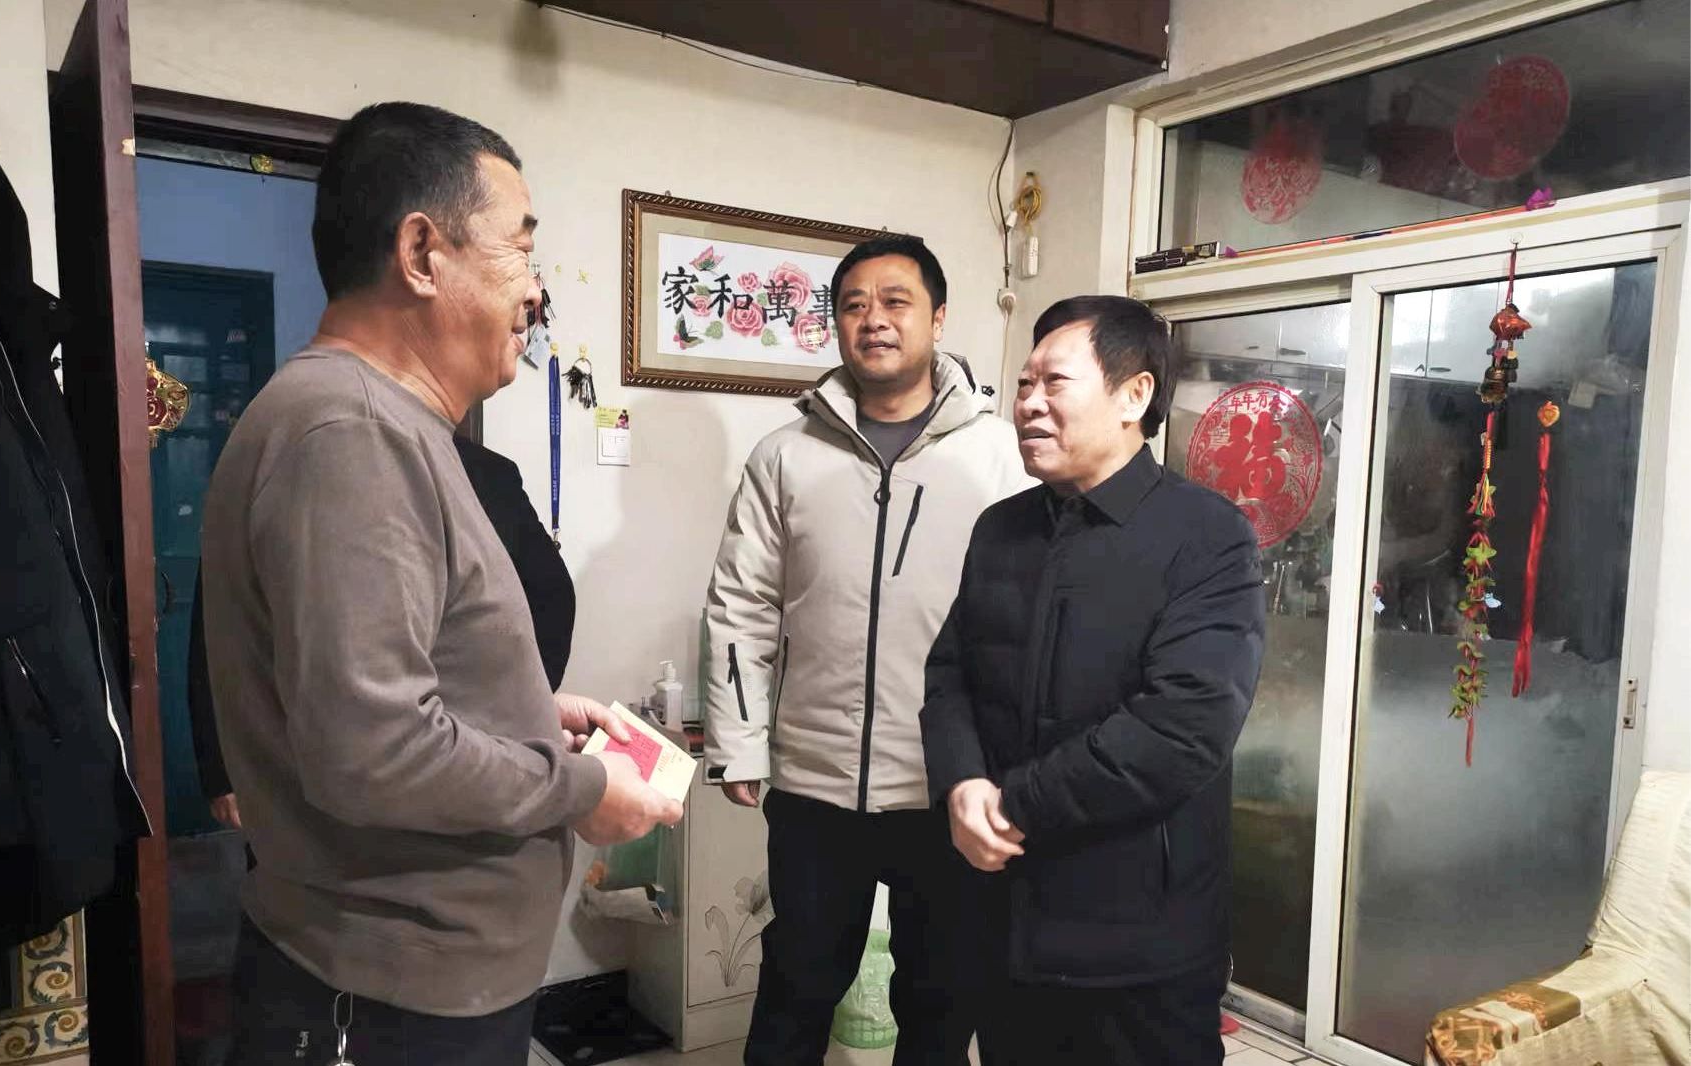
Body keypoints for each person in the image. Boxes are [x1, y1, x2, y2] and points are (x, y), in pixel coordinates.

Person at [202, 102, 681, 1064]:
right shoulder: (352, 431)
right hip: (384, 1002)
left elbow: (384, 689)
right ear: (422, 253)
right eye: (522, 252)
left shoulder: (388, 425)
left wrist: (526, 710)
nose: (536, 293)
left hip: (419, 987)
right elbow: (375, 750)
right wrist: (581, 788)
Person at [702, 235, 1028, 1065]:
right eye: (853, 305)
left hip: (949, 785)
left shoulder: (1000, 456)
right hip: (815, 786)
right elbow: (741, 605)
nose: (872, 320)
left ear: (938, 319)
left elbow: (1030, 620)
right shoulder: (785, 456)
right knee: (794, 992)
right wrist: (738, 742)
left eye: (894, 302)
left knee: (941, 1003)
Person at [922, 295, 1266, 1065]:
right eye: (1023, 383)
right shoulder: (1001, 530)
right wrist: (961, 782)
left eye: (1054, 382)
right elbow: (950, 674)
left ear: (1134, 395)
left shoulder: (1207, 536)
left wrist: (1011, 801)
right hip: (1007, 922)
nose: (1027, 404)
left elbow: (1184, 724)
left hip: (1141, 944)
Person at [187, 432, 583, 833]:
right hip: (307, 761)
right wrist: (220, 767)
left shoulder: (486, 472)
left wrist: (523, 699)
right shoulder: (300, 452)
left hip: (448, 762)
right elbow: (226, 617)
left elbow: (551, 595)